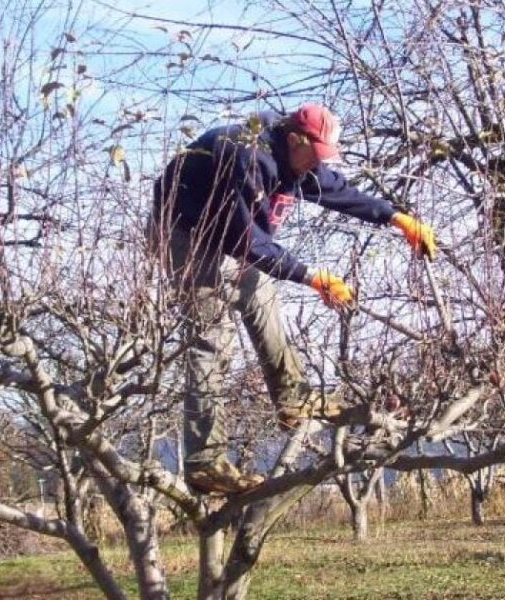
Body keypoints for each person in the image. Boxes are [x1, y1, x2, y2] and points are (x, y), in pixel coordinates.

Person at [151, 103, 436, 494]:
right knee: (212, 336)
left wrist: (394, 217)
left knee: (263, 299)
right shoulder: (243, 155)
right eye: (314, 156)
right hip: (184, 231)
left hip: (229, 235)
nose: (314, 166)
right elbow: (247, 241)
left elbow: (337, 190)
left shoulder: (296, 160)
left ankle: (292, 401)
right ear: (294, 139)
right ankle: (204, 463)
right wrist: (311, 276)